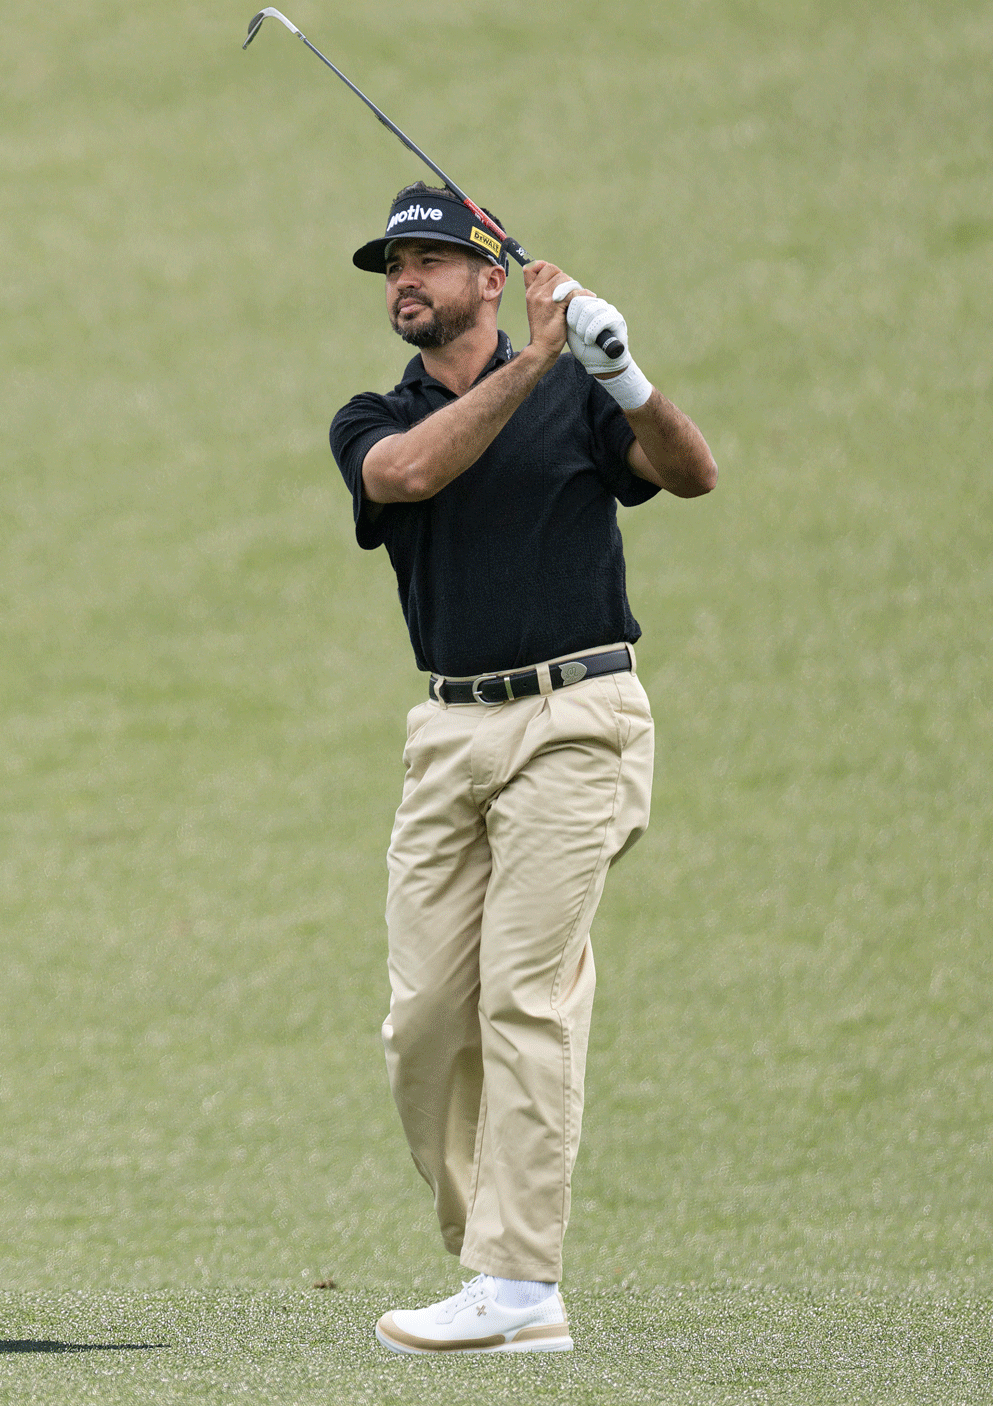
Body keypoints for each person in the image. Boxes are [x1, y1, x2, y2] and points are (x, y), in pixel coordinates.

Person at [327, 183, 718, 1354]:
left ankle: (517, 1278)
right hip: (448, 734)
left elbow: (692, 474)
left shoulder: (579, 395)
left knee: (524, 994)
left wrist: (622, 373)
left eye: (429, 260)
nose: (405, 278)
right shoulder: (371, 415)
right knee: (422, 1024)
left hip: (576, 718)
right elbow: (406, 477)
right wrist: (540, 360)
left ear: (488, 278)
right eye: (393, 264)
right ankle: (489, 1257)